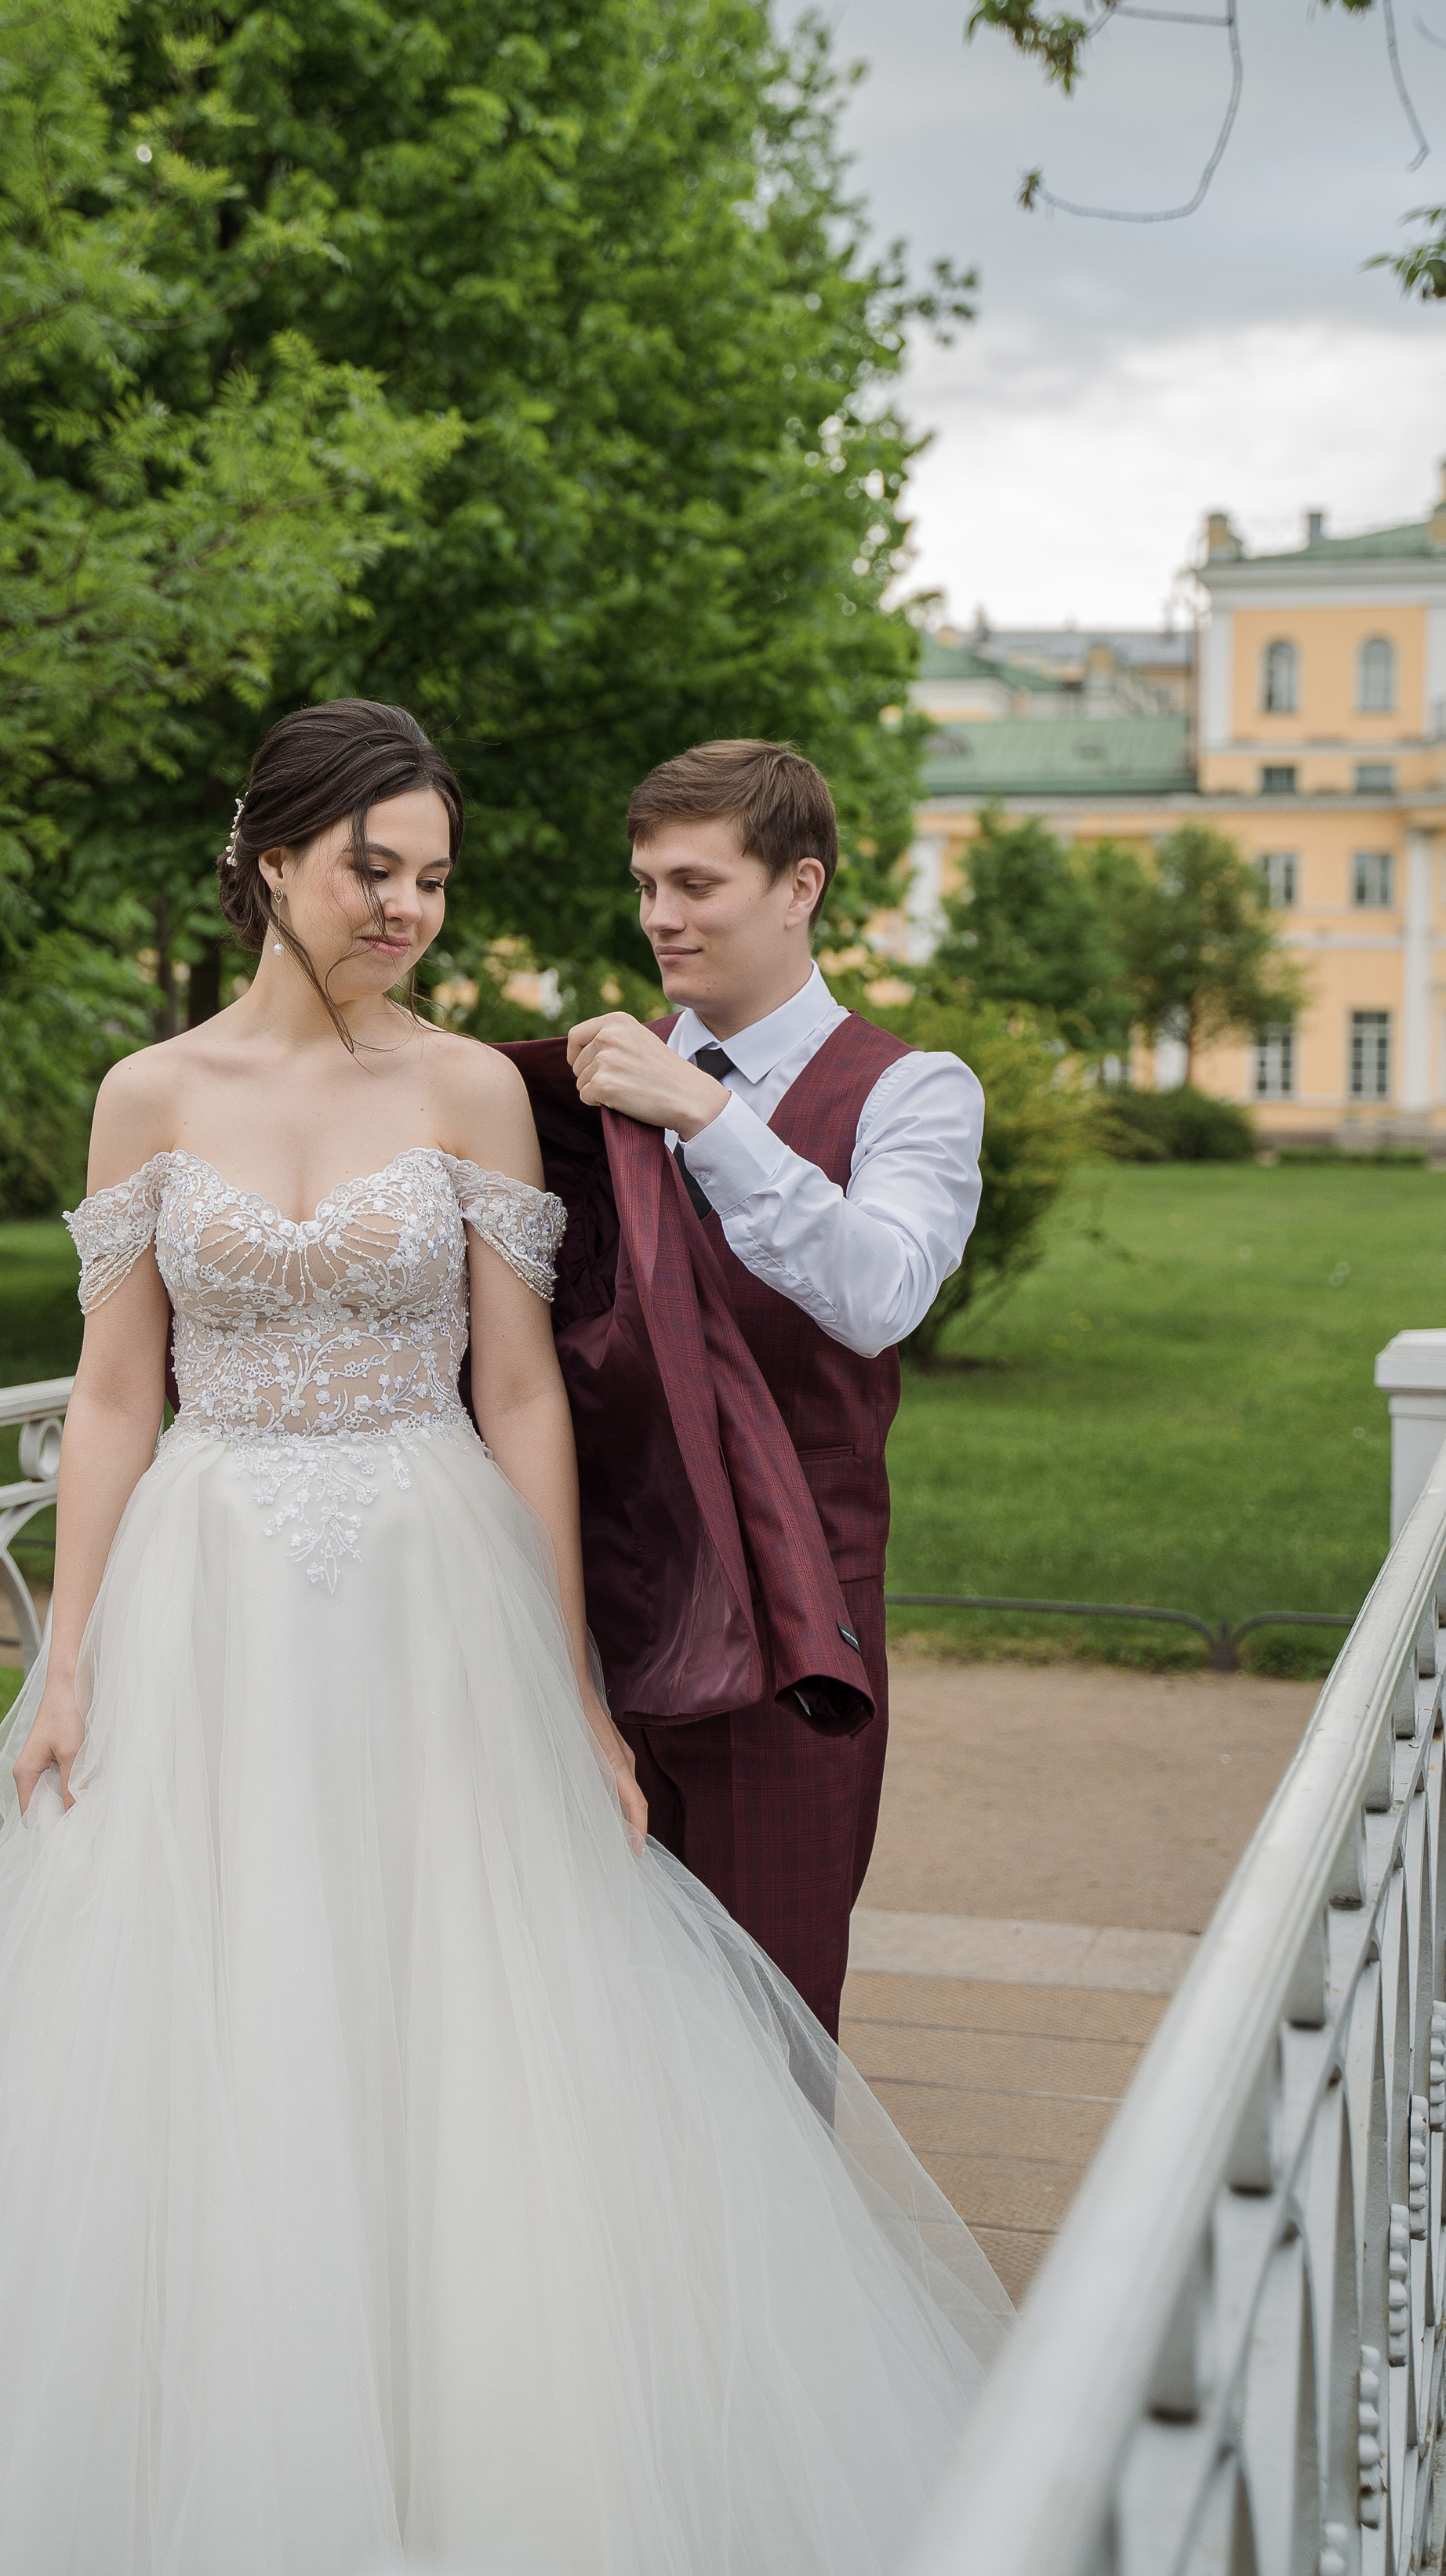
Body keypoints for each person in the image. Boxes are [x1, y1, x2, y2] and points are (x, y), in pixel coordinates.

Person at [0, 702, 1005, 2576]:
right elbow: (114, 1399)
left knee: (460, 1991)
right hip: (207, 1587)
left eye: (434, 878)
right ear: (271, 858)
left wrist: (569, 1696)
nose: (407, 908)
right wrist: (68, 1657)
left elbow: (524, 1395)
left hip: (432, 1577)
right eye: (374, 867)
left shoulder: (472, 1088)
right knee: (214, 1987)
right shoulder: (148, 1096)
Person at [505, 740, 983, 2042]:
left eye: (697, 885)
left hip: (794, 1627)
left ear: (799, 887)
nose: (661, 917)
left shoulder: (911, 1092)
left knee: (770, 2019)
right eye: (648, 883)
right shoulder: (593, 1089)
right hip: (596, 1616)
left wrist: (711, 1123)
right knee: (592, 2016)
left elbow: (882, 1295)